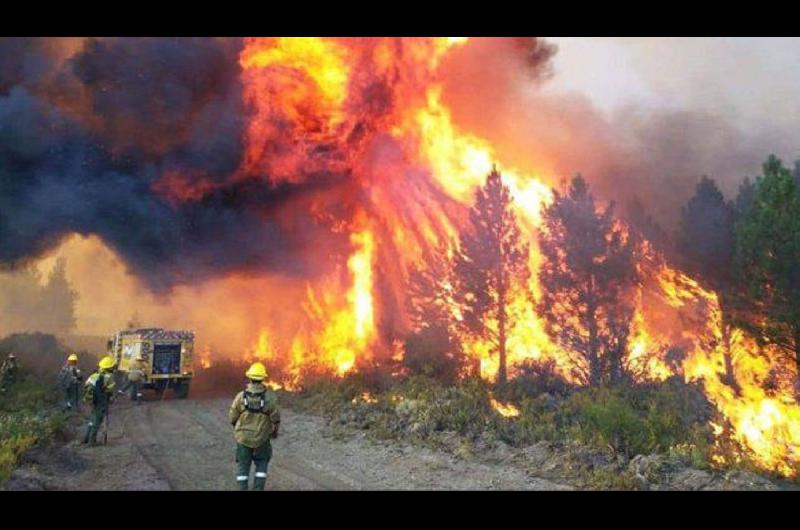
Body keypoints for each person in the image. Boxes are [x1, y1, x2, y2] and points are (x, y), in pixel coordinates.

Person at [228, 362, 280, 491]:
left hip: (243, 439)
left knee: (243, 466)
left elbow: (232, 417)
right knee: (262, 464)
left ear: (250, 378)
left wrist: (238, 428)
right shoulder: (270, 397)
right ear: (263, 378)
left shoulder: (241, 396)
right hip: (262, 439)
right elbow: (276, 419)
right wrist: (274, 432)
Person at [82, 356, 117, 446]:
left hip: (91, 400)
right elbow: (109, 390)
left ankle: (86, 438)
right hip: (101, 400)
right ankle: (91, 441)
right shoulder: (109, 377)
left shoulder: (94, 375)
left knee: (92, 418)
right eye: (112, 366)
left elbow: (86, 385)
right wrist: (110, 398)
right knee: (97, 420)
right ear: (109, 367)